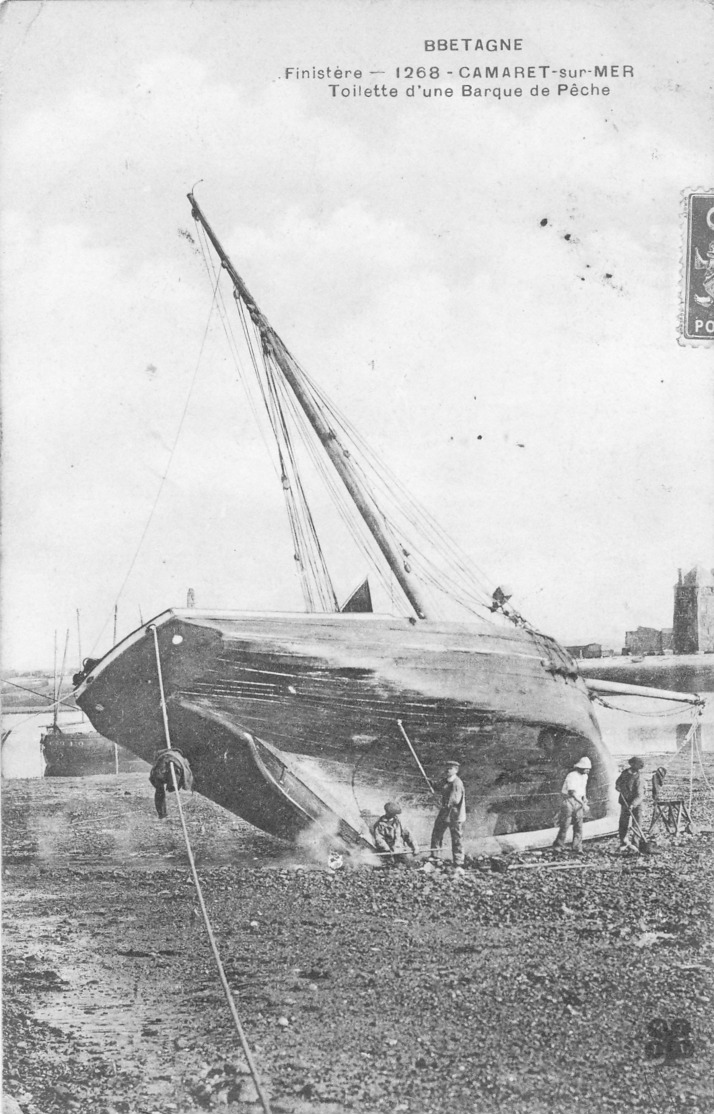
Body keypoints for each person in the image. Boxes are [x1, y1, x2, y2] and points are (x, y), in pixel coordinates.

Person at [552, 756, 591, 854]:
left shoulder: (585, 776)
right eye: (586, 769)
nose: (588, 770)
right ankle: (558, 845)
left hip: (579, 801)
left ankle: (577, 847)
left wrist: (584, 798)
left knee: (579, 825)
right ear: (581, 768)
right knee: (565, 824)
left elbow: (583, 788)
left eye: (589, 769)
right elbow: (572, 793)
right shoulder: (572, 775)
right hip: (569, 801)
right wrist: (583, 804)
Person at [430, 761, 466, 866]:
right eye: (446, 768)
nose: (447, 770)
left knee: (456, 838)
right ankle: (435, 857)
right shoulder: (445, 781)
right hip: (445, 812)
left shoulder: (457, 783)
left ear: (456, 770)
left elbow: (454, 800)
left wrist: (442, 805)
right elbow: (437, 786)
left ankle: (458, 861)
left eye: (450, 768)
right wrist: (429, 782)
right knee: (437, 833)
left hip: (455, 814)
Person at [149, 747, 194, 819]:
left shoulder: (173, 757)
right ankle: (162, 813)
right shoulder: (177, 757)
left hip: (168, 767)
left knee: (161, 788)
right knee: (162, 787)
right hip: (168, 767)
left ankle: (162, 813)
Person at [372, 801, 418, 866]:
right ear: (387, 812)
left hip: (399, 850)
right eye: (393, 813)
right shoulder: (379, 825)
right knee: (389, 867)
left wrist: (415, 847)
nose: (394, 815)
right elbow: (379, 839)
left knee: (408, 866)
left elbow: (409, 835)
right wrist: (387, 850)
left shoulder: (399, 822)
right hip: (387, 853)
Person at [615, 756, 645, 850]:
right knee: (623, 823)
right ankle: (623, 842)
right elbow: (618, 782)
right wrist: (617, 787)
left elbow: (640, 795)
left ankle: (635, 844)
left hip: (637, 804)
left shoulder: (639, 778)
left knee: (637, 824)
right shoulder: (624, 773)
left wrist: (633, 805)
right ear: (631, 764)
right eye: (633, 764)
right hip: (625, 802)